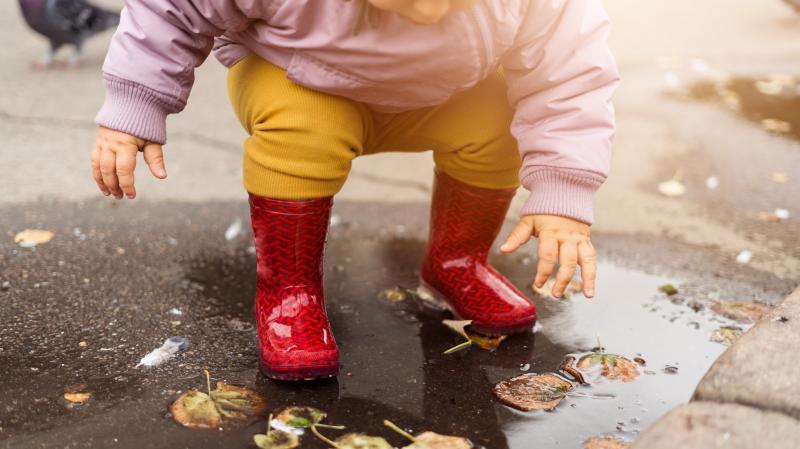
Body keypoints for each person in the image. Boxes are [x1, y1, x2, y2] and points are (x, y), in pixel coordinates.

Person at [91, 0, 619, 381]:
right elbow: (170, 10)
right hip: (300, 78)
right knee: (303, 129)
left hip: (439, 92)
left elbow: (570, 73)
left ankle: (456, 261)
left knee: (500, 117)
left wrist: (563, 189)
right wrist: (135, 105)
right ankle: (289, 293)